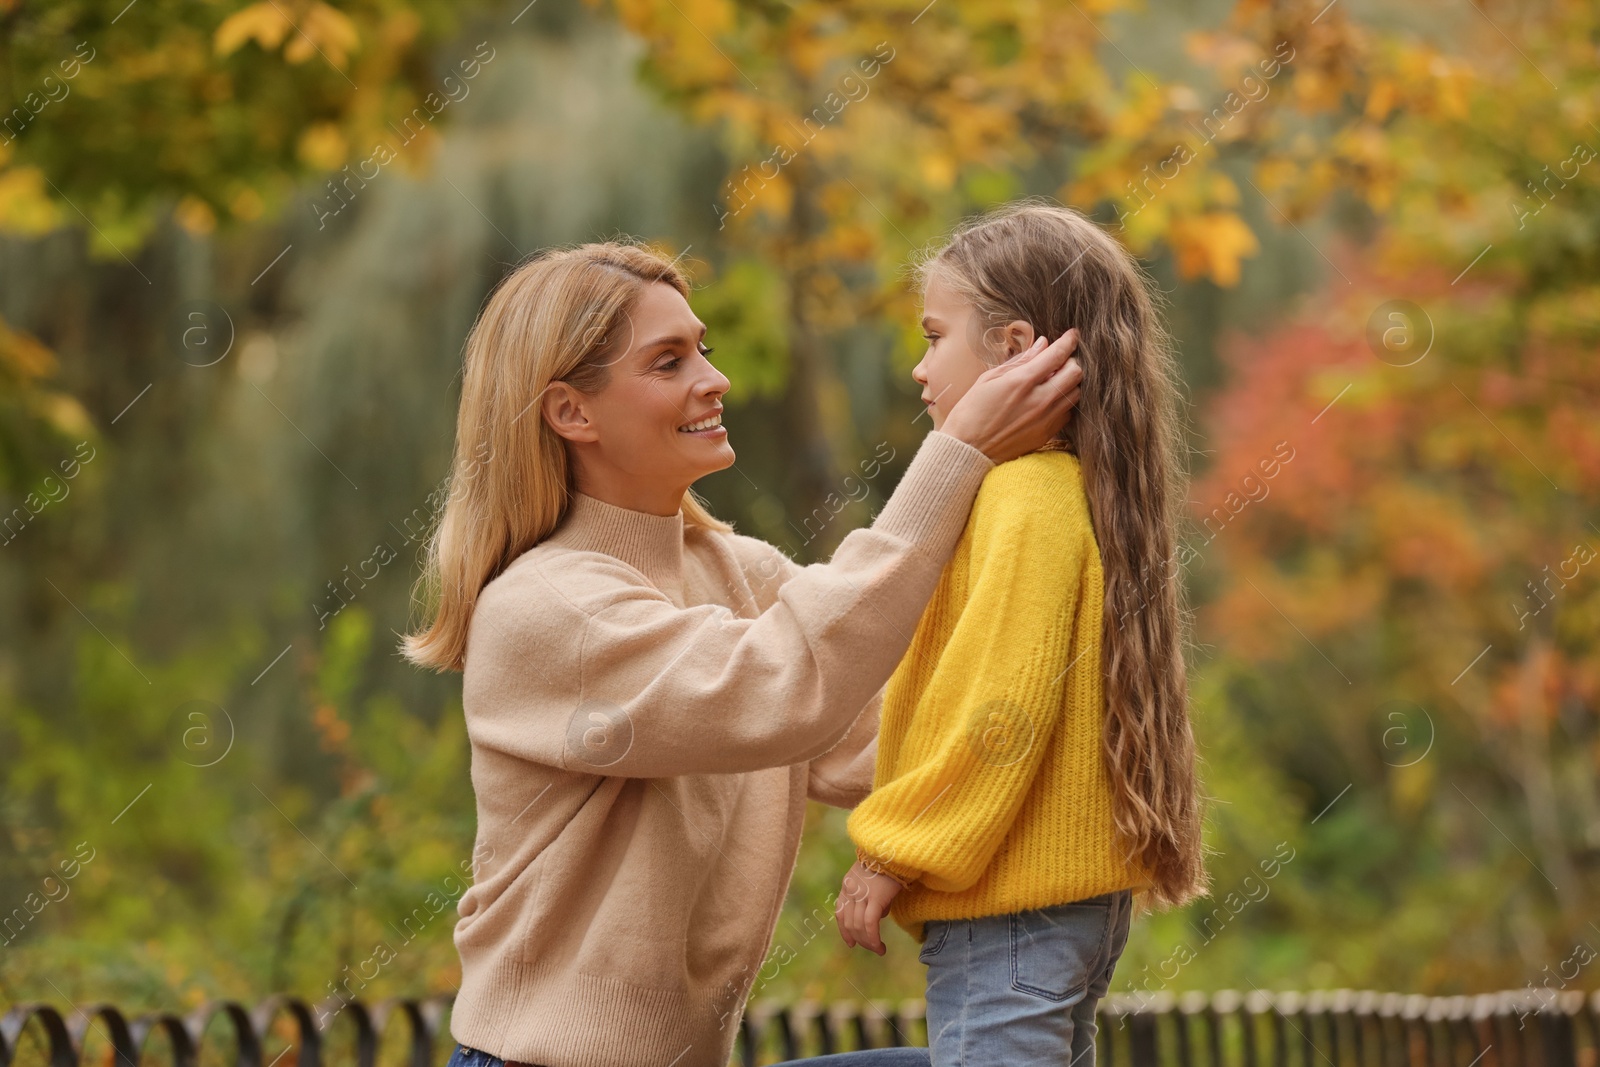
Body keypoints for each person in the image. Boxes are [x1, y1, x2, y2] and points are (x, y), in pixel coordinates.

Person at [399, 240, 1084, 1067]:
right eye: (667, 361)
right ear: (571, 413)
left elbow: (903, 737)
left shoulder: (737, 574)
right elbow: (790, 681)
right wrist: (958, 455)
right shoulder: (545, 610)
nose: (713, 378)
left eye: (703, 349)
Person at [820, 202, 1211, 1067]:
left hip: (1008, 912)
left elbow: (1000, 707)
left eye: (934, 336)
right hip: (1059, 905)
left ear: (1013, 346)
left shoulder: (1023, 498)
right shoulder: (1075, 493)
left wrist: (894, 850)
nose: (920, 369)